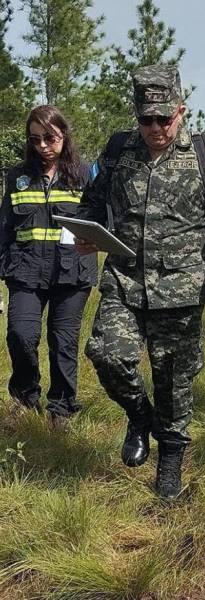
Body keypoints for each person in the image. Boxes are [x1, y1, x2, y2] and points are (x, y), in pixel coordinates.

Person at [76, 65, 205, 499]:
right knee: (108, 356)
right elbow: (91, 203)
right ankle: (138, 415)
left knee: (174, 378)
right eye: (146, 119)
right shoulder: (117, 150)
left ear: (181, 111)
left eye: (164, 119)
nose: (155, 128)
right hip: (125, 280)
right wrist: (86, 234)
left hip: (181, 288)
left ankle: (170, 460)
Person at [0, 105, 97, 428]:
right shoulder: (17, 177)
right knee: (20, 335)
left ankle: (62, 407)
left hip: (72, 272)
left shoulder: (85, 175)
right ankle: (25, 397)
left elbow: (101, 222)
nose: (43, 145)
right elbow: (5, 227)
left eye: (50, 138)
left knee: (63, 342)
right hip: (25, 271)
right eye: (35, 139)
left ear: (64, 136)